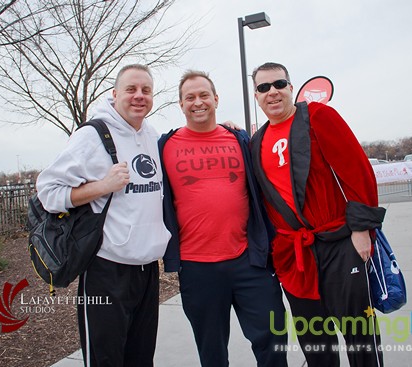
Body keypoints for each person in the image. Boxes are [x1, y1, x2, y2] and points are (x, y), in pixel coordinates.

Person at [250, 62, 385, 367]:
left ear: (290, 87)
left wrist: (361, 229)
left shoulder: (318, 117)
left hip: (339, 242)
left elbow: (356, 171)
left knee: (359, 334)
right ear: (255, 96)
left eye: (279, 84)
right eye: (263, 87)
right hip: (296, 254)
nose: (272, 92)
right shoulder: (256, 142)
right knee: (314, 340)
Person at [37, 64, 171, 367]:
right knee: (105, 360)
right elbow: (48, 193)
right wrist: (102, 186)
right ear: (114, 94)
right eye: (131, 89)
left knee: (140, 359)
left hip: (147, 270)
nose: (139, 96)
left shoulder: (151, 136)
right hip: (105, 271)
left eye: (145, 90)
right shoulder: (92, 135)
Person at [158, 70, 288, 367]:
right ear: (180, 104)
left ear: (216, 99)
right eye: (190, 97)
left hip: (249, 260)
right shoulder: (164, 146)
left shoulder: (240, 139)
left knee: (273, 339)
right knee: (212, 352)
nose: (198, 102)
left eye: (204, 95)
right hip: (197, 267)